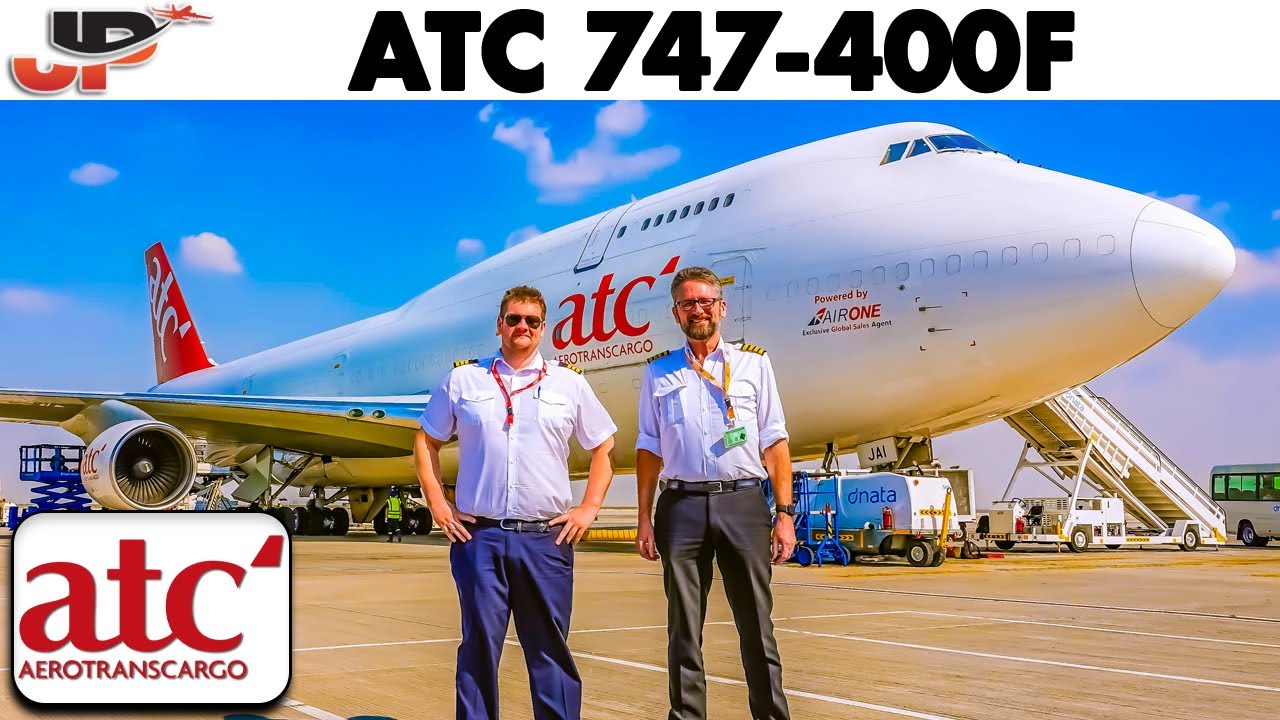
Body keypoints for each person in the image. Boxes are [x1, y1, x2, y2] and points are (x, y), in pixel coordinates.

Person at [414, 285, 617, 720]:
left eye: (531, 321)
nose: (521, 327)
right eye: (513, 319)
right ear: (499, 325)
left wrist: (588, 508)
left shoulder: (570, 384)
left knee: (550, 651)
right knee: (479, 648)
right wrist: (438, 504)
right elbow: (426, 440)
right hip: (479, 538)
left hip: (546, 541)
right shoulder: (464, 380)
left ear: (544, 329)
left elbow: (604, 447)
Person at [635, 266, 797, 720]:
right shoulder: (658, 373)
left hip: (743, 503)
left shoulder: (754, 364)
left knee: (756, 628)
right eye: (688, 303)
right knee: (683, 631)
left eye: (706, 301)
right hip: (681, 507)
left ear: (721, 308)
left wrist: (784, 513)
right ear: (676, 313)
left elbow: (775, 441)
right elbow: (647, 448)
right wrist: (644, 517)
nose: (698, 309)